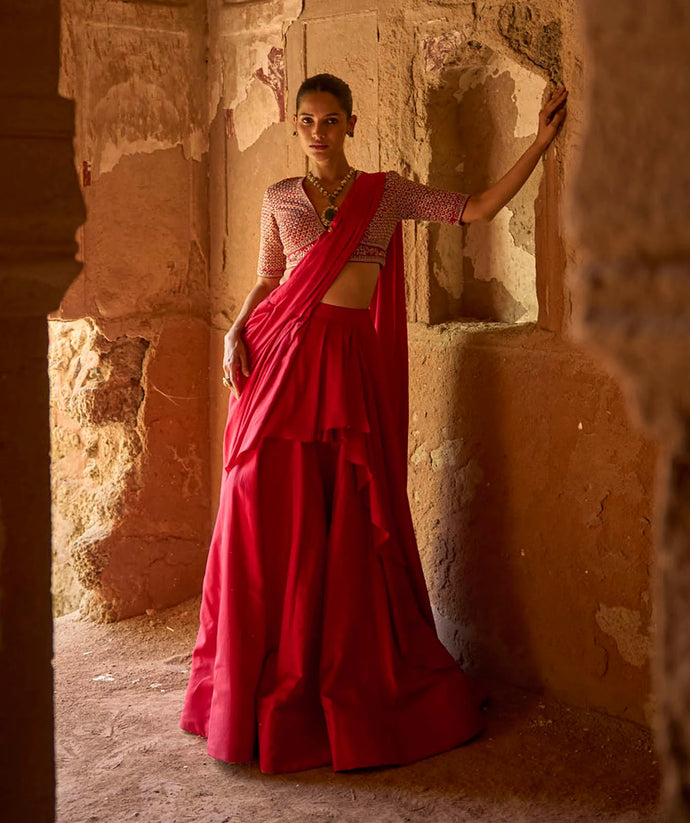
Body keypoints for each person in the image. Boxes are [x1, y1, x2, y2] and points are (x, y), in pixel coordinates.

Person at [180, 73, 567, 774]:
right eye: (306, 121)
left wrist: (539, 143)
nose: (318, 132)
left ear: (352, 124)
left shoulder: (386, 194)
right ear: (296, 127)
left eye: (330, 120)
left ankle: (342, 674)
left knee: (347, 520)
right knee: (261, 505)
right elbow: (270, 280)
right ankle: (252, 681)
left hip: (348, 363)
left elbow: (475, 209)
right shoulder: (278, 199)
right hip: (283, 357)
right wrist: (236, 332)